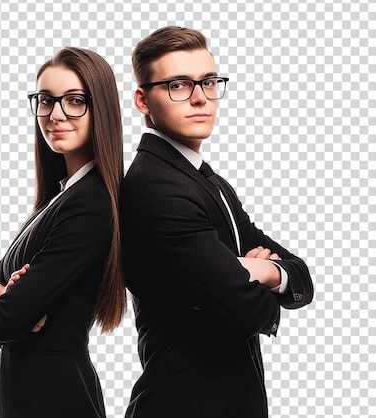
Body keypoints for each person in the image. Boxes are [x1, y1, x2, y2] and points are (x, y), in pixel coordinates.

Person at [120, 26, 314, 418]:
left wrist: (265, 271)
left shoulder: (208, 179)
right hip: (183, 405)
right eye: (178, 85)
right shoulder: (155, 187)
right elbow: (240, 309)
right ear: (143, 99)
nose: (199, 98)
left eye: (208, 82)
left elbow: (302, 278)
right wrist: (248, 282)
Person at [0, 47, 126, 418]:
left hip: (54, 396)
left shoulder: (90, 203)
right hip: (26, 392)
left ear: (99, 107)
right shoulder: (59, 197)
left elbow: (6, 320)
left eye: (74, 101)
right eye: (46, 100)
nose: (56, 114)